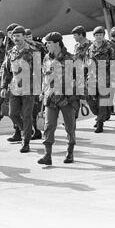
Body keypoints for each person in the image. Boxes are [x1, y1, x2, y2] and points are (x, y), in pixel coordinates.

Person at [38, 32, 79, 165]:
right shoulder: (46, 58)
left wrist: (79, 97)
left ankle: (70, 152)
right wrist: (43, 91)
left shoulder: (70, 58)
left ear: (57, 43)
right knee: (49, 126)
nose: (47, 45)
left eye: (49, 43)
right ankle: (47, 155)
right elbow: (45, 77)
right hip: (51, 97)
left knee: (69, 126)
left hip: (67, 98)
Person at [0, 26, 36, 153]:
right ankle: (27, 130)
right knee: (12, 113)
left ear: (24, 37)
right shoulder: (11, 52)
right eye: (14, 36)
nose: (15, 39)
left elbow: (38, 71)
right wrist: (4, 86)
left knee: (27, 115)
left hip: (28, 88)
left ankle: (25, 142)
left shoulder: (33, 51)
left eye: (18, 36)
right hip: (15, 87)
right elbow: (6, 70)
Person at [86, 26, 115, 133]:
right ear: (94, 36)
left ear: (104, 36)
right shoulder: (90, 48)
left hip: (105, 77)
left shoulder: (109, 48)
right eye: (96, 35)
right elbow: (87, 62)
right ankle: (101, 115)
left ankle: (100, 123)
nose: (99, 37)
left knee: (102, 101)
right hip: (92, 78)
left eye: (101, 35)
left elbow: (113, 63)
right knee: (91, 101)